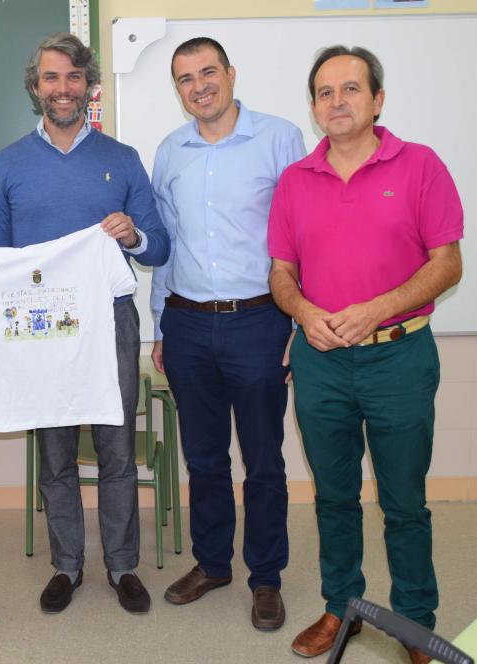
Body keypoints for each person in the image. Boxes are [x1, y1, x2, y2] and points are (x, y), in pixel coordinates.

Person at [267, 46, 463, 664]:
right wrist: (302, 312)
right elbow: (280, 273)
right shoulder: (296, 180)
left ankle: (414, 622)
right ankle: (341, 606)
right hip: (322, 363)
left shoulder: (421, 165)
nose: (337, 102)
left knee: (404, 500)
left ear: (377, 100)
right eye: (325, 92)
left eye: (350, 89)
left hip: (398, 358)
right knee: (334, 496)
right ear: (314, 106)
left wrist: (376, 310)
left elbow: (448, 264)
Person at [0, 32, 170, 614]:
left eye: (72, 77)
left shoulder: (122, 159)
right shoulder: (7, 164)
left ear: (89, 86)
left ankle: (121, 566)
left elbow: (159, 247)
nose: (61, 89)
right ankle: (68, 565)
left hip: (110, 323)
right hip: (40, 330)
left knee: (116, 449)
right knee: (56, 452)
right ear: (35, 87)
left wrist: (132, 235)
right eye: (49, 78)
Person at [150, 37, 306, 630]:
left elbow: (303, 233)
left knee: (263, 461)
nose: (200, 85)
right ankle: (212, 563)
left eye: (208, 72)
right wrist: (162, 320)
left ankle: (266, 578)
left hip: (260, 321)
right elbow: (165, 246)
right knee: (205, 458)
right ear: (179, 89)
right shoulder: (169, 151)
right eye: (186, 78)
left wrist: (300, 317)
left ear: (231, 74)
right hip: (187, 324)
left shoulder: (279, 137)